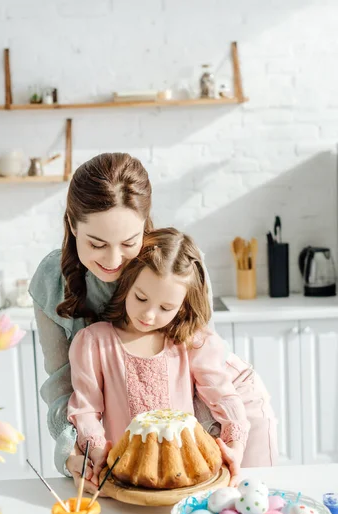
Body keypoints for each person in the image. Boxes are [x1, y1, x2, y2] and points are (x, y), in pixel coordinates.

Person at [29, 153, 217, 494]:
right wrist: (74, 452)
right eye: (96, 244)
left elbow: (204, 373)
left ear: (145, 225)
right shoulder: (49, 280)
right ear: (72, 224)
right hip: (113, 465)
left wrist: (212, 442)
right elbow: (61, 387)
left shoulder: (174, 266)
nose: (113, 260)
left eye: (129, 243)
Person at [67, 228, 278, 488]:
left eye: (166, 308)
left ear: (183, 306)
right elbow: (86, 408)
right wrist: (96, 450)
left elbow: (224, 398)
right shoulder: (93, 343)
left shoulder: (192, 343)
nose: (149, 315)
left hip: (184, 478)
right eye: (141, 298)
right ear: (127, 284)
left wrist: (234, 446)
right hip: (125, 475)